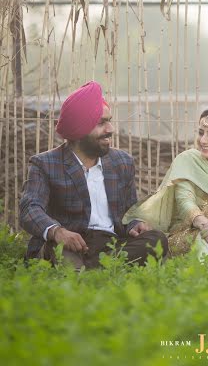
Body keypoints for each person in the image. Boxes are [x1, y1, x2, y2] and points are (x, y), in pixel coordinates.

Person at [19, 81, 168, 269]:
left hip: (112, 245)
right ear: (79, 128)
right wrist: (58, 232)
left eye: (110, 120)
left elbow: (128, 213)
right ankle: (100, 270)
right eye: (101, 123)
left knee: (156, 240)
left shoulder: (122, 162)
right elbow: (29, 208)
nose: (110, 129)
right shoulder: (45, 164)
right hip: (71, 243)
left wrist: (134, 224)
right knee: (60, 250)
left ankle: (91, 270)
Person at [123, 105, 208, 259]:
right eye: (201, 133)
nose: (203, 140)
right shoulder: (188, 161)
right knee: (201, 242)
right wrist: (207, 227)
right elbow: (185, 201)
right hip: (189, 234)